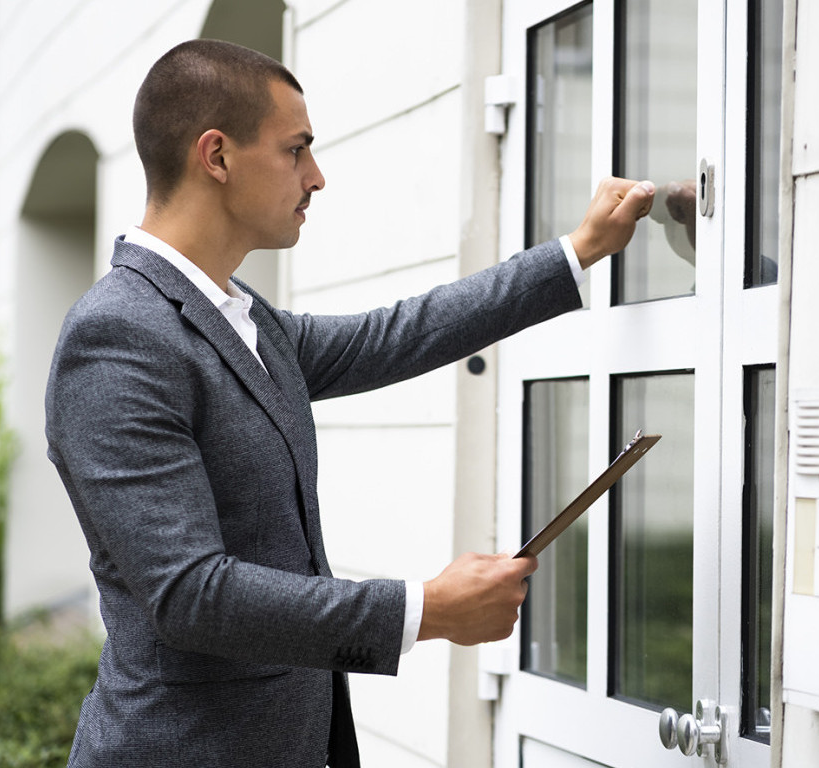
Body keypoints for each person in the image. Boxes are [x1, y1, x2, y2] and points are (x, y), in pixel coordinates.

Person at [44, 39, 655, 768]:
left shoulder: (243, 319)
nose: (316, 176)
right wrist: (426, 608)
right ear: (217, 156)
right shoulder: (117, 336)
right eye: (295, 149)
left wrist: (578, 251)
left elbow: (395, 335)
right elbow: (191, 594)